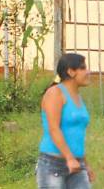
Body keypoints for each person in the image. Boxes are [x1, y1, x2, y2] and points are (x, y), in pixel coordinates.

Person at [37, 53, 93, 188]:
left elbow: (76, 135)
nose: (88, 72)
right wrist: (69, 157)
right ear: (71, 72)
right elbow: (53, 128)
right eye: (83, 68)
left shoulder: (77, 97)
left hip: (76, 164)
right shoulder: (55, 93)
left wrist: (86, 164)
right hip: (53, 165)